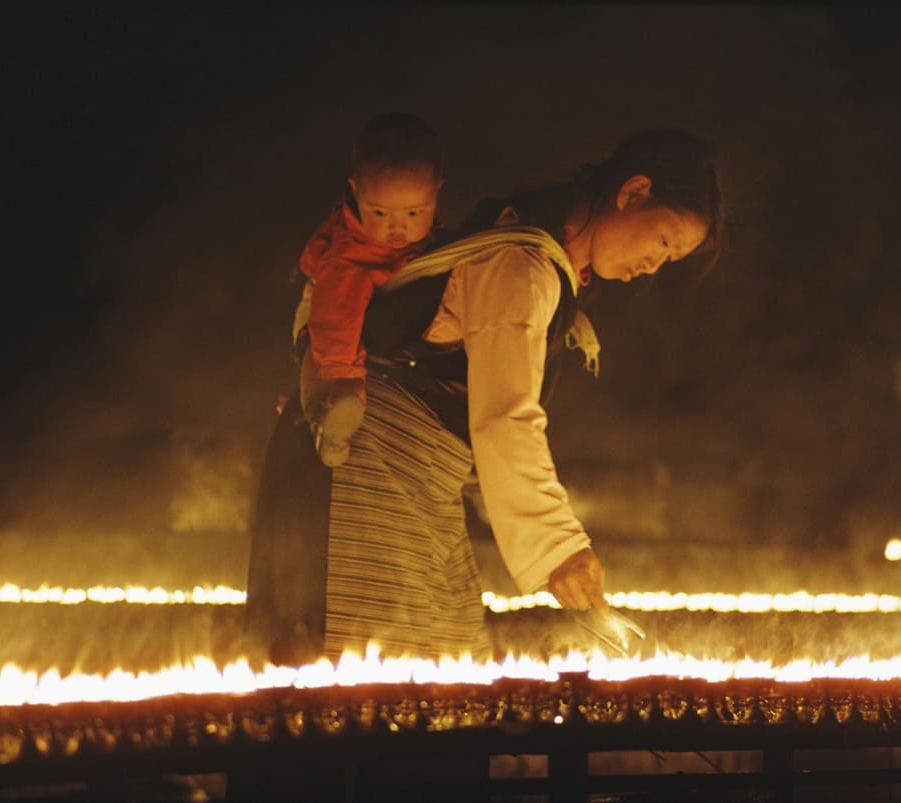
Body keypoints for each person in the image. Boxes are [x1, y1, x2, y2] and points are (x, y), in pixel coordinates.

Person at [243, 129, 722, 666]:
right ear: (634, 192)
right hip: (363, 473)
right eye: (665, 241)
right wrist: (560, 549)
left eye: (672, 258)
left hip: (411, 484)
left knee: (434, 674)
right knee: (366, 693)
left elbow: (475, 411)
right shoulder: (522, 263)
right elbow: (503, 417)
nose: (656, 265)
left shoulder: (540, 258)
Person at [293, 112, 445, 467]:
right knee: (320, 363)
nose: (397, 227)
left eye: (413, 213)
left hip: (373, 303)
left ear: (437, 190)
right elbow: (335, 321)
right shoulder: (349, 260)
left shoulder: (425, 236)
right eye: (379, 213)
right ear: (355, 192)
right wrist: (346, 380)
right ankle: (329, 425)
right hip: (324, 311)